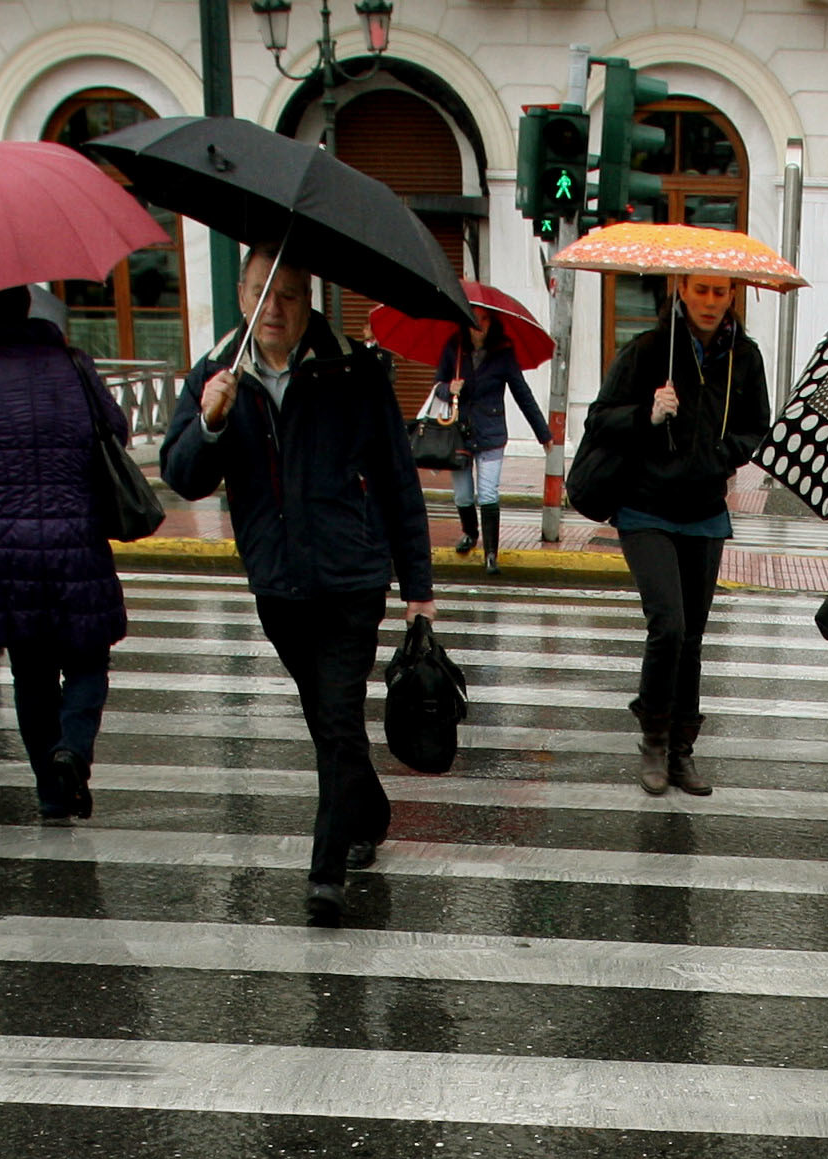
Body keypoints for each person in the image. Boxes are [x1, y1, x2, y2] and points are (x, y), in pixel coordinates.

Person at [164, 249, 439, 922]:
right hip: (278, 583)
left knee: (338, 716)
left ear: (309, 297)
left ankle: (327, 872)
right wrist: (211, 423)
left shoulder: (354, 368)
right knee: (329, 720)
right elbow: (182, 475)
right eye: (264, 293)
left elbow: (399, 480)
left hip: (351, 577)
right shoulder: (216, 374)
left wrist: (418, 588)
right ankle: (368, 812)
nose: (277, 309)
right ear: (242, 294)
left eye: (289, 294)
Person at [0, 283, 131, 822]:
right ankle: (74, 748)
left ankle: (51, 791)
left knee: (32, 675)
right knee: (89, 662)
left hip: (0, 553)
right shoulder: (73, 363)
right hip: (76, 539)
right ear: (27, 308)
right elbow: (116, 429)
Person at [584, 273, 771, 796]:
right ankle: (653, 739)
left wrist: (721, 453)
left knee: (691, 638)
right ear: (682, 291)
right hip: (645, 507)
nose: (711, 301)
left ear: (733, 295)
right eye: (701, 290)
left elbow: (757, 426)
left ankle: (683, 749)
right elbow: (599, 421)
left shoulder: (744, 357)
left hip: (705, 509)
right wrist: (648, 413)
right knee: (667, 625)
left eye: (721, 291)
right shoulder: (647, 351)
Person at [433, 301, 548, 572]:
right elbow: (437, 385)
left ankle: (491, 553)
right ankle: (470, 533)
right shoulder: (454, 348)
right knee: (462, 495)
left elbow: (523, 394)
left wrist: (543, 433)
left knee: (487, 492)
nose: (479, 325)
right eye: (474, 319)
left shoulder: (503, 353)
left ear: (492, 323)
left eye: (484, 319)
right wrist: (449, 388)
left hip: (491, 431)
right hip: (459, 433)